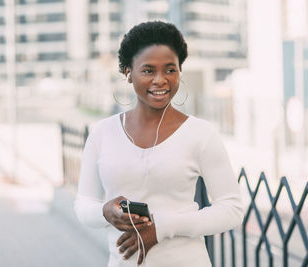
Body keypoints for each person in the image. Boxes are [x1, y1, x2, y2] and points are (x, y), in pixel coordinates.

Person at [74, 21, 244, 267]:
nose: (160, 80)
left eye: (170, 70)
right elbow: (82, 205)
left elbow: (231, 209)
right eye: (148, 70)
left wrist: (162, 227)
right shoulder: (102, 133)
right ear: (128, 73)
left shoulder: (201, 134)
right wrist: (105, 212)